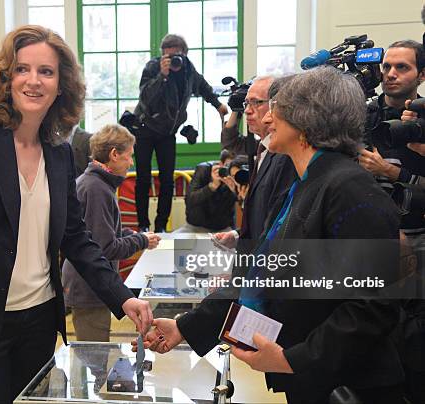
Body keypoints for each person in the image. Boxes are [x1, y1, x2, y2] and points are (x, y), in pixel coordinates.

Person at [0, 25, 153, 404]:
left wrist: (122, 298)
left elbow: (76, 237)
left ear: (61, 84)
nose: (33, 81)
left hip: (38, 323)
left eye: (46, 72)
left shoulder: (59, 152)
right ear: (5, 77)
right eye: (22, 69)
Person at [138, 67, 405, 404]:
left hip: (350, 385)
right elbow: (258, 273)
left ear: (307, 121)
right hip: (313, 379)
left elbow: (372, 305)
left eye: (278, 108)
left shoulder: (348, 187)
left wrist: (293, 359)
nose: (267, 118)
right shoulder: (306, 183)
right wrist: (185, 327)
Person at [62, 124, 160, 342]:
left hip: (89, 285)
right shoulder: (97, 189)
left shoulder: (96, 183)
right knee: (94, 359)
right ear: (114, 154)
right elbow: (106, 248)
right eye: (128, 156)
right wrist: (140, 240)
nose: (131, 162)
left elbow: (104, 231)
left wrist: (135, 235)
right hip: (89, 288)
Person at [132, 34, 228, 233]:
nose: (173, 59)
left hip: (167, 132)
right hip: (144, 128)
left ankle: (160, 226)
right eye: (168, 56)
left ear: (184, 54)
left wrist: (218, 104)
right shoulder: (153, 67)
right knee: (143, 178)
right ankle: (143, 225)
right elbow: (145, 98)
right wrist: (162, 75)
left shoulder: (189, 70)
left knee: (167, 180)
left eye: (176, 55)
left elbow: (203, 87)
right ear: (162, 56)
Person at [358, 40, 425, 252]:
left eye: (402, 67)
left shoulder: (423, 121)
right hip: (365, 231)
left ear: (422, 75)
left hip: (417, 235)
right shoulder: (360, 115)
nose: (390, 74)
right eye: (386, 66)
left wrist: (388, 171)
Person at [216, 76, 296, 248]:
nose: (247, 111)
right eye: (246, 104)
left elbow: (277, 225)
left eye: (256, 102)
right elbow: (262, 215)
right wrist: (237, 235)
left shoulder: (286, 155)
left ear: (279, 106)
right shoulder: (263, 146)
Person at [174, 152, 243, 233]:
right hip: (195, 226)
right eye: (228, 166)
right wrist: (212, 186)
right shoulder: (204, 170)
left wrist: (235, 190)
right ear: (220, 164)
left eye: (233, 169)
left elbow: (246, 206)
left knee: (235, 243)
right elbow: (190, 200)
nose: (230, 172)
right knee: (173, 243)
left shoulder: (239, 177)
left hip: (222, 227)